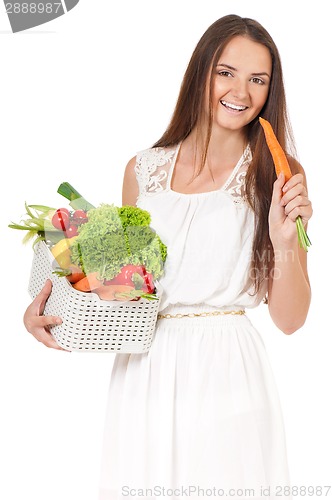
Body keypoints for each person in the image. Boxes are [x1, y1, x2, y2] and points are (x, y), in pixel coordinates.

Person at [24, 14, 312, 500]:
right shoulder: (142, 169)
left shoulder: (278, 174)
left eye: (257, 79)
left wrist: (285, 240)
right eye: (226, 71)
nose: (240, 90)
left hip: (229, 371)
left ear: (269, 91)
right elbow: (121, 293)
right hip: (145, 370)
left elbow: (290, 320)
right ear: (201, 71)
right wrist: (56, 313)